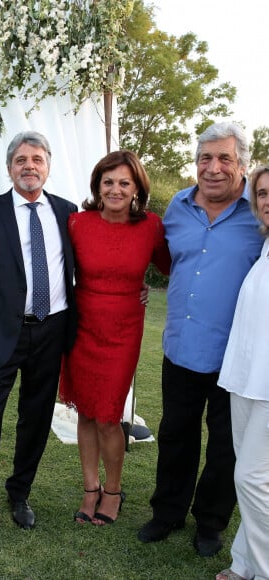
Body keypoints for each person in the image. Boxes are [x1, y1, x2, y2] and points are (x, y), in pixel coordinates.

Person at [137, 122, 264, 557]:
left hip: (236, 356)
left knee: (225, 445)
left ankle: (210, 522)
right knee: (176, 435)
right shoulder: (176, 206)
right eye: (205, 158)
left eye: (224, 158)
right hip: (182, 346)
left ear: (242, 164)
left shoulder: (260, 211)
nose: (212, 168)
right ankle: (167, 512)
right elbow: (167, 260)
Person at [0, 131, 77, 561]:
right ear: (9, 168)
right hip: (1, 334)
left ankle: (19, 494)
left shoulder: (67, 212)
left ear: (48, 165)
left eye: (36, 158)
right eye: (21, 159)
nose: (29, 165)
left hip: (51, 332)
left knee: (36, 421)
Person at [59, 150, 170, 526]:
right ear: (97, 186)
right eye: (108, 182)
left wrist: (143, 290)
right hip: (82, 327)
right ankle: (90, 489)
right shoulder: (77, 223)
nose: (116, 189)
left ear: (137, 187)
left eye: (124, 182)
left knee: (108, 415)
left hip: (123, 330)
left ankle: (114, 490)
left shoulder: (151, 226)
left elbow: (174, 265)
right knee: (86, 412)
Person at [215, 165, 269, 580]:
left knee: (252, 478)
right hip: (244, 377)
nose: (268, 201)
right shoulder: (265, 248)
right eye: (263, 193)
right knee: (251, 478)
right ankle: (245, 562)